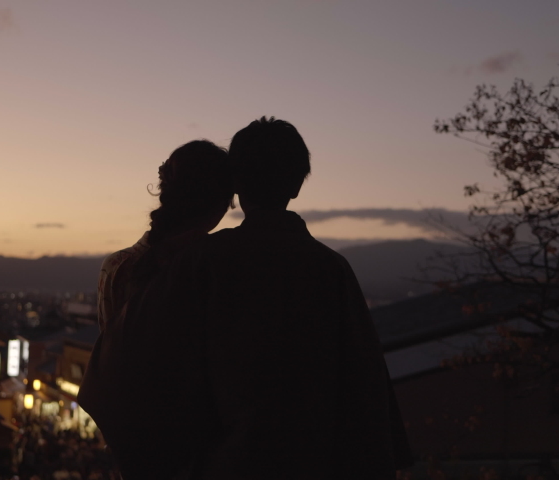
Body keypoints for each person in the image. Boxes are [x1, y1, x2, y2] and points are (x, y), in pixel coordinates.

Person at [101, 117, 412, 479]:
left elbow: (133, 375)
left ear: (236, 184)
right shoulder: (333, 270)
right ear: (296, 185)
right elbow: (365, 392)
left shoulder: (199, 263)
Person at [78, 139, 235, 478]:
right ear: (219, 203)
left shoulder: (117, 267)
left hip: (134, 446)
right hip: (201, 451)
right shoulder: (221, 265)